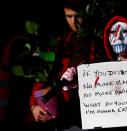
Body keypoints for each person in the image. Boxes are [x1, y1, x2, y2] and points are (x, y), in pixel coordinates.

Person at [29, 0, 104, 130]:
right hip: (65, 119)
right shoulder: (63, 41)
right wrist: (34, 105)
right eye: (69, 16)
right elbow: (45, 76)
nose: (74, 22)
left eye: (78, 16)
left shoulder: (99, 41)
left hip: (93, 115)